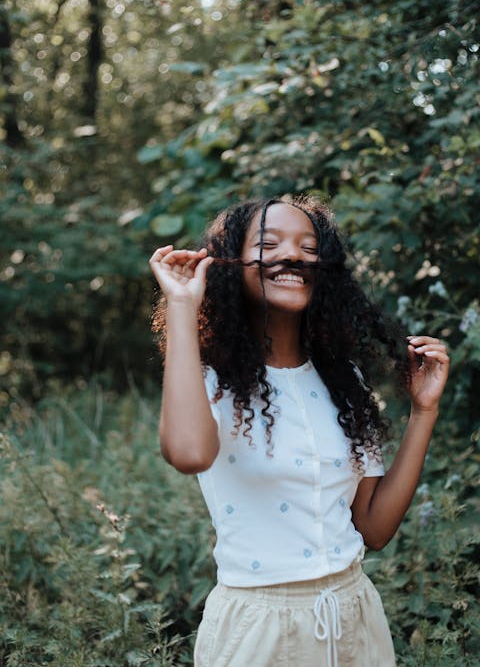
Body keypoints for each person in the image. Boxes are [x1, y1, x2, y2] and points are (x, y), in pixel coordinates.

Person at [149, 196, 449, 667]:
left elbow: (373, 528)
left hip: (356, 619)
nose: (293, 256)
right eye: (269, 244)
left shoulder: (345, 383)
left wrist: (423, 412)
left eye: (309, 247)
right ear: (231, 264)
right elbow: (187, 453)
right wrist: (184, 304)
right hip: (259, 628)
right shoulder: (209, 381)